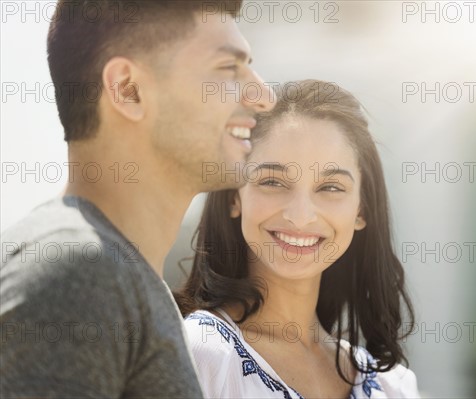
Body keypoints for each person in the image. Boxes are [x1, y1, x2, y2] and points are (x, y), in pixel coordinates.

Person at [0, 1, 275, 397]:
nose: (264, 96)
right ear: (128, 90)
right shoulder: (80, 274)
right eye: (228, 69)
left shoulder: (124, 279)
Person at [176, 80, 420, 398]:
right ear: (234, 196)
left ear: (361, 210)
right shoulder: (199, 355)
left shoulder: (393, 385)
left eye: (331, 187)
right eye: (273, 181)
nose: (301, 215)